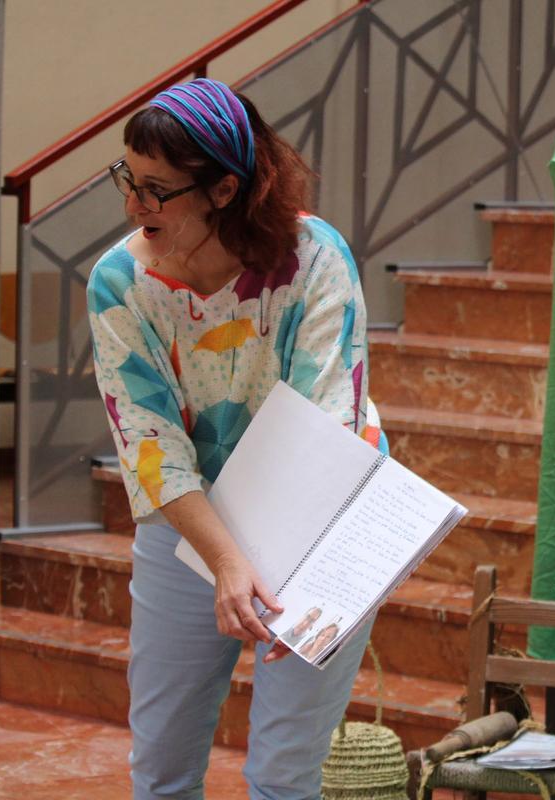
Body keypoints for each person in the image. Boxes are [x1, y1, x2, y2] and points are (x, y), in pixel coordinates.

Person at [87, 77, 379, 800]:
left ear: (223, 189)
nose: (133, 204)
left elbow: (326, 426)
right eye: (129, 178)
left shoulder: (314, 259)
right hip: (192, 518)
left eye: (157, 189)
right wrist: (225, 559)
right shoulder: (121, 283)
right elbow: (150, 444)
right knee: (162, 769)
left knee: (285, 775)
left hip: (325, 514)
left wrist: (288, 569)